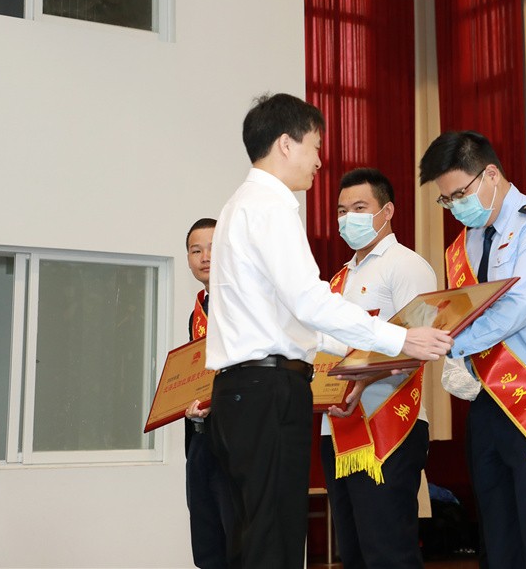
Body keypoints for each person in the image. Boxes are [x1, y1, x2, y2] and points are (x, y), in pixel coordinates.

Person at [205, 93, 453, 569]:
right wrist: (401, 338)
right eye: (315, 146)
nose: (320, 161)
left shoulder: (240, 205)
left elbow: (297, 322)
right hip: (269, 390)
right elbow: (310, 303)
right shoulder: (271, 207)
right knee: (274, 541)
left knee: (254, 536)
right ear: (286, 143)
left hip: (243, 392)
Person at [420, 130, 526, 569]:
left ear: (491, 174)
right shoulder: (469, 240)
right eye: (446, 200)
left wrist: (447, 342)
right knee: (497, 538)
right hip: (489, 397)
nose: (455, 206)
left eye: (460, 194)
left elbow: (518, 308)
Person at [318, 168, 436, 569]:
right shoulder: (339, 279)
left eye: (359, 207)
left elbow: (418, 345)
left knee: (388, 551)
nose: (347, 218)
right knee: (352, 551)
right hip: (337, 428)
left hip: (388, 425)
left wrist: (363, 379)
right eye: (341, 210)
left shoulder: (407, 266)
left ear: (387, 211)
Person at [182, 218, 234, 569]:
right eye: (195, 250)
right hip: (202, 440)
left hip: (234, 441)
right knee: (207, 545)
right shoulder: (198, 309)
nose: (204, 257)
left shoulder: (242, 301)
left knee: (237, 542)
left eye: (213, 248)